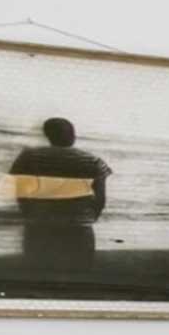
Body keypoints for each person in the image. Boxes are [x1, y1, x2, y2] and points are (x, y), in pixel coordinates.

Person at [8, 114, 108, 275]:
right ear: (72, 135)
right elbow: (101, 198)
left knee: (38, 273)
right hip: (78, 226)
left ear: (48, 136)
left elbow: (20, 190)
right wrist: (92, 216)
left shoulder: (29, 156)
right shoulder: (92, 160)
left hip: (40, 223)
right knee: (79, 274)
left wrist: (28, 213)